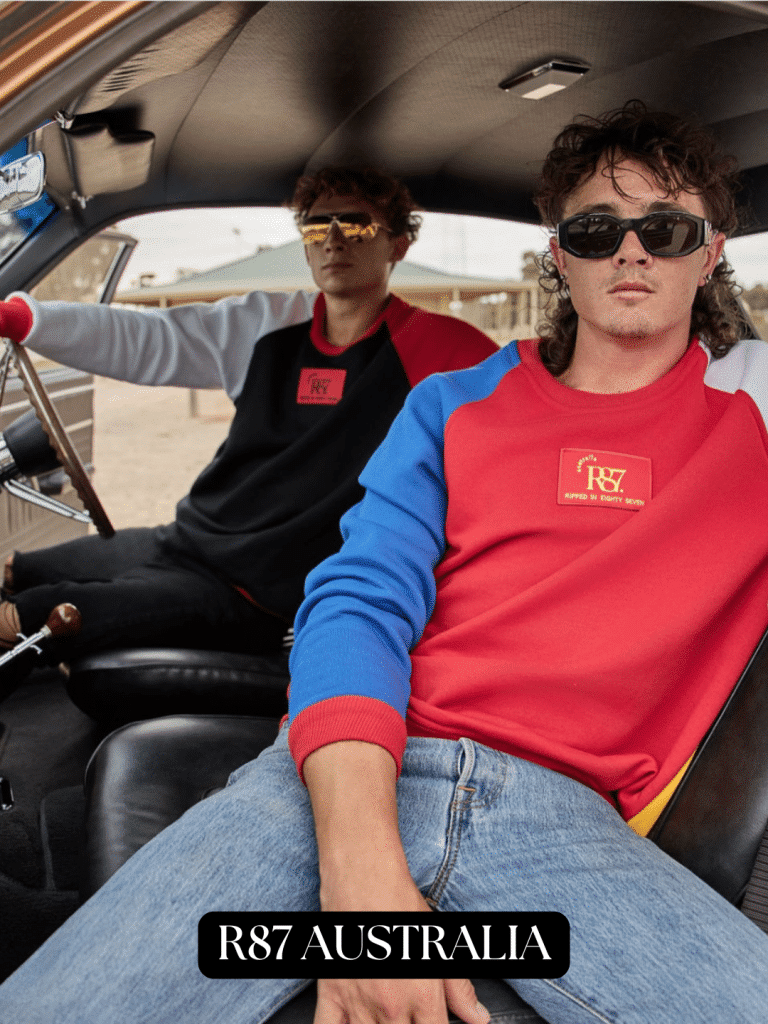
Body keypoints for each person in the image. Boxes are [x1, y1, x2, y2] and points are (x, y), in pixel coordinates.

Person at [1, 102, 768, 1023]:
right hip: (364, 772)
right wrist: (360, 876)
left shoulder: (752, 405)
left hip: (564, 825)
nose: (631, 252)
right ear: (560, 255)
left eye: (666, 229)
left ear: (709, 253)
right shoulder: (454, 404)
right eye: (597, 230)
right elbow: (357, 603)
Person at [0, 167, 495, 678]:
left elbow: (523, 420)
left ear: (398, 245)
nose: (333, 240)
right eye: (317, 226)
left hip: (253, 594)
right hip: (184, 542)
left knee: (27, 616)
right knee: (20, 570)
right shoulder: (268, 325)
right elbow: (149, 338)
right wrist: (24, 320)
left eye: (357, 225)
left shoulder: (446, 353)